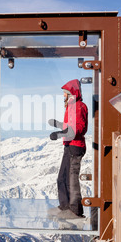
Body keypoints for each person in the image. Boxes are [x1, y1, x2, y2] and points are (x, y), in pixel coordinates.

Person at [48, 79, 88, 220]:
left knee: (72, 180)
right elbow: (68, 127)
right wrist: (57, 125)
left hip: (76, 147)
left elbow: (77, 130)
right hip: (69, 146)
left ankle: (75, 211)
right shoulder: (71, 107)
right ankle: (64, 207)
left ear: (72, 93)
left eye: (65, 93)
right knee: (62, 178)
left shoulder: (79, 106)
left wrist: (58, 134)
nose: (63, 96)